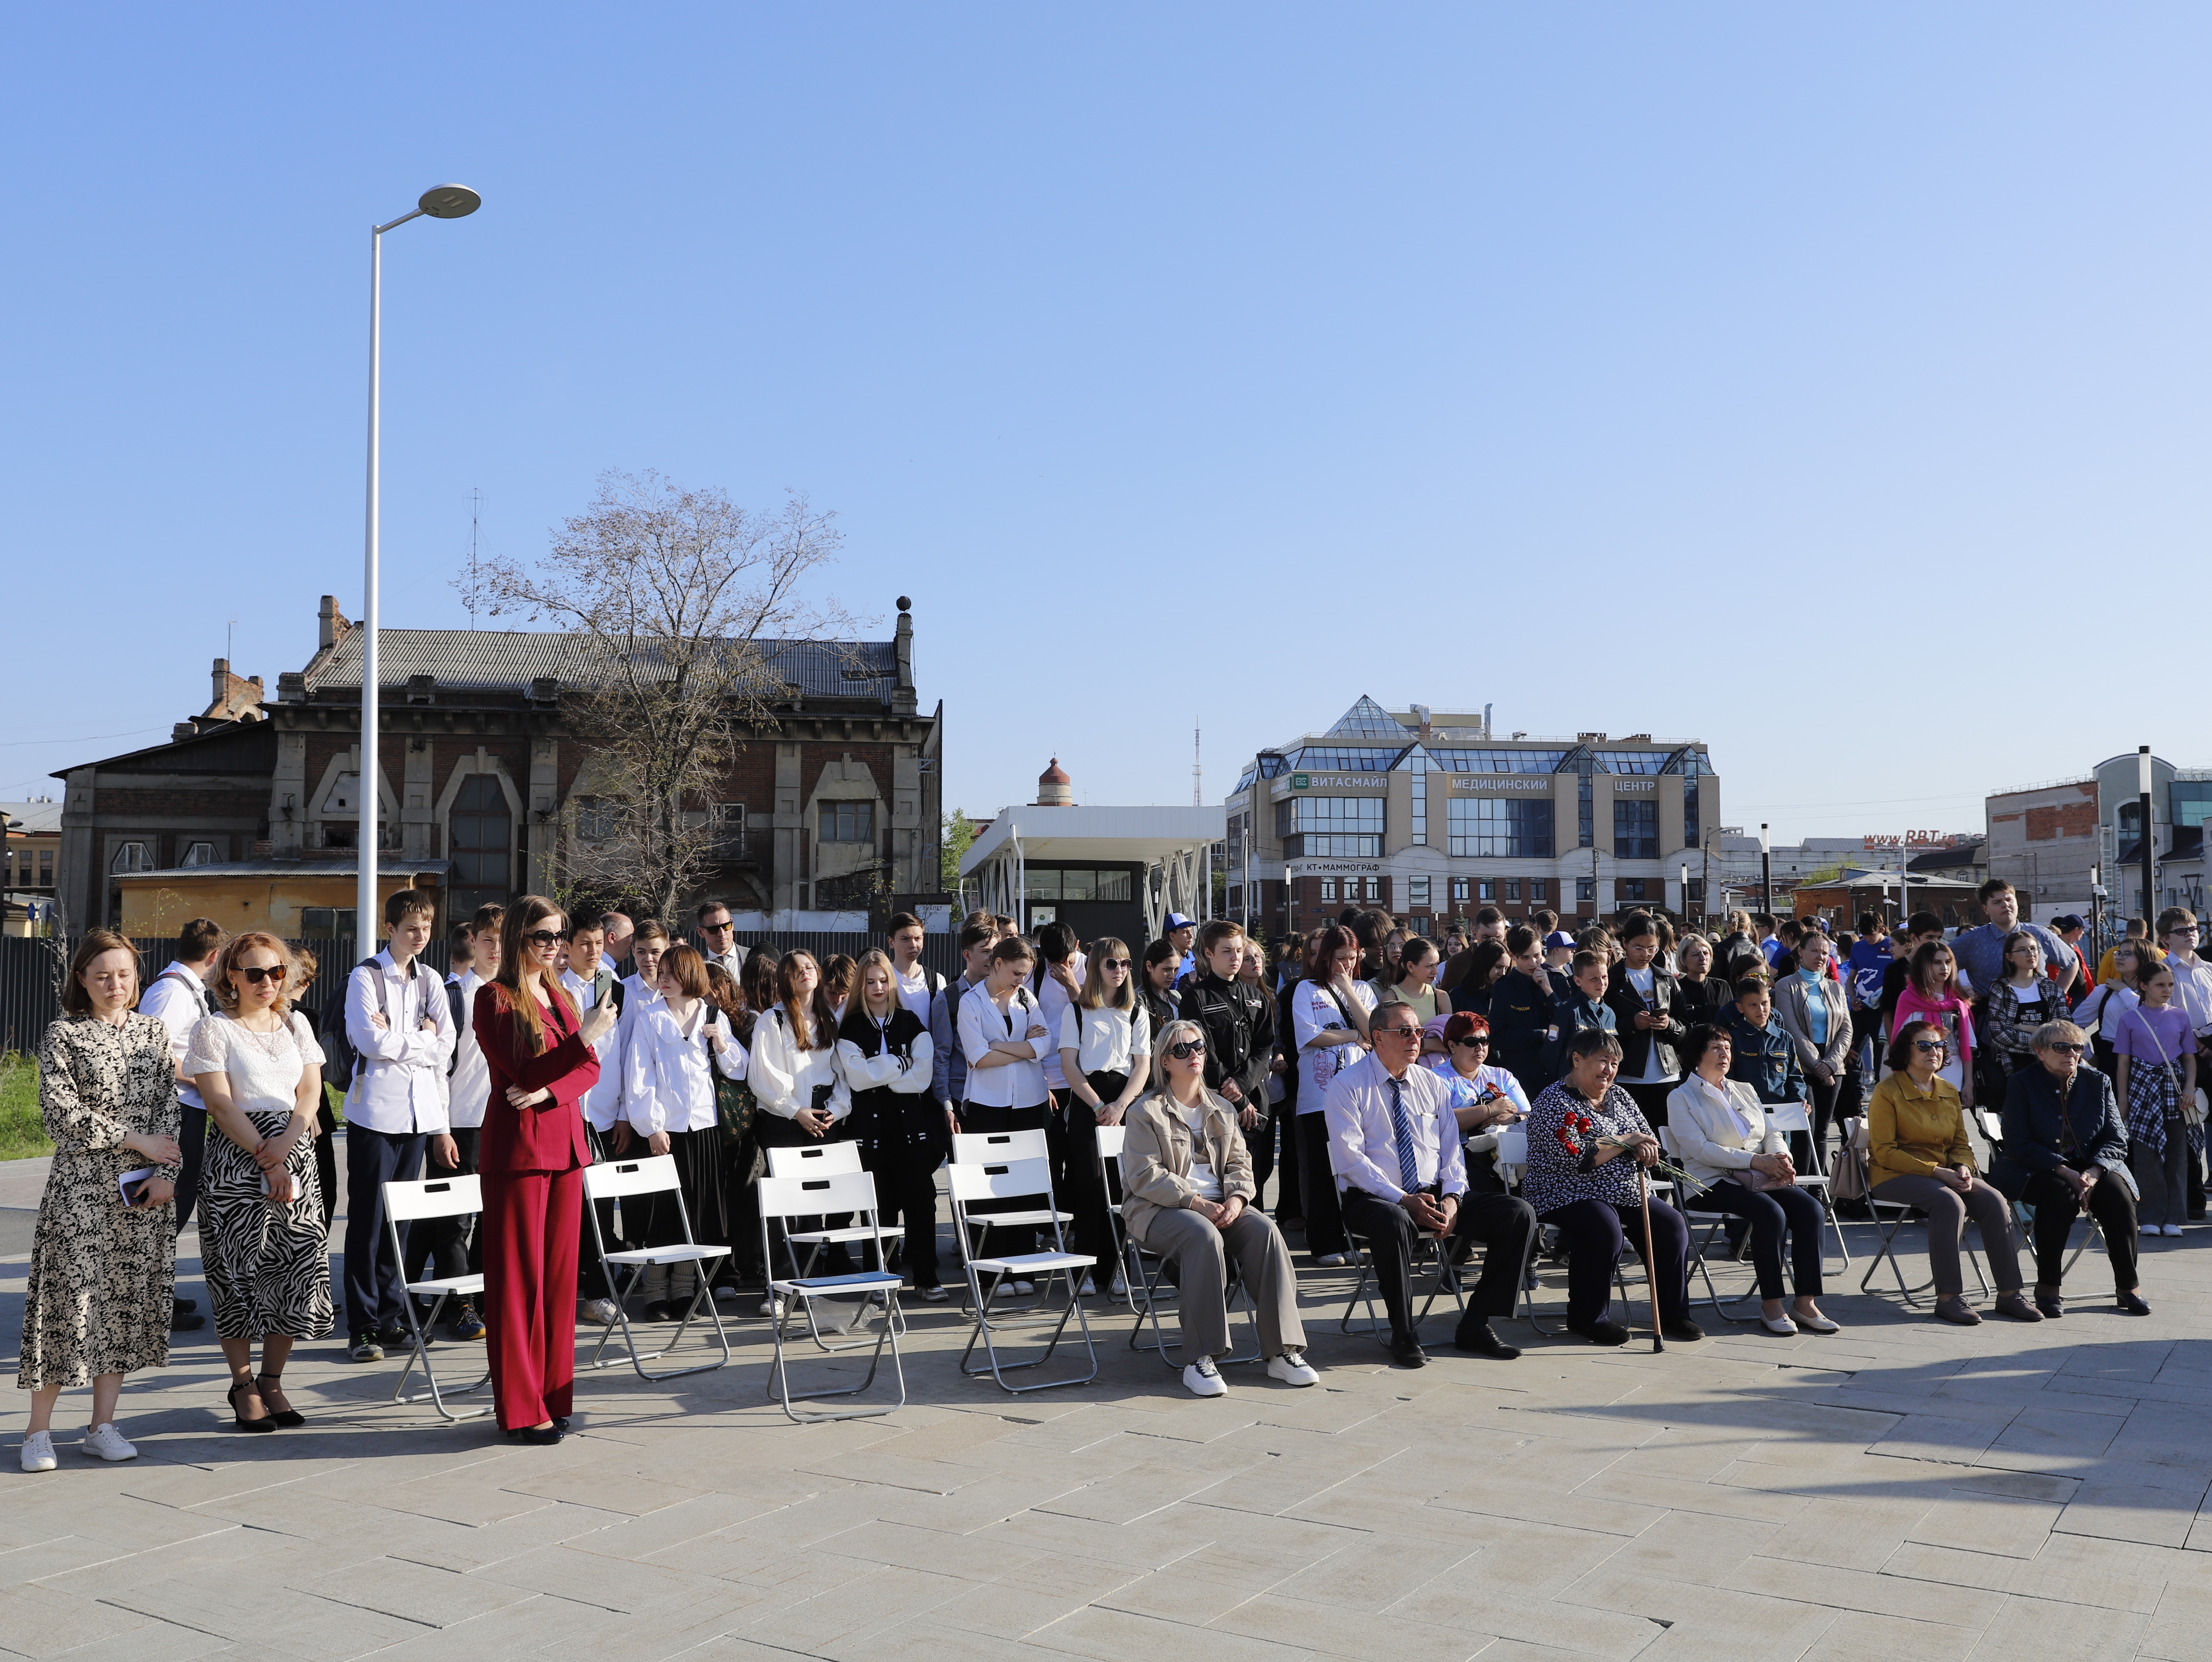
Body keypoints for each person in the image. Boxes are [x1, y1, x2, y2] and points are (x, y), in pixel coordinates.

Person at [16, 932, 183, 1471]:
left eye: (125, 975)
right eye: (103, 975)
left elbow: (169, 1110)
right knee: (69, 1304)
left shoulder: (154, 1032)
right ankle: (38, 1432)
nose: (116, 985)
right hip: (82, 1192)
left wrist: (166, 1171)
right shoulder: (64, 1034)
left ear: (138, 980)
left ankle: (102, 1426)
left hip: (141, 1191)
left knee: (121, 1305)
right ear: (82, 980)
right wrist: (138, 1142)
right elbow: (62, 1115)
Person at [474, 897, 618, 1441]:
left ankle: (554, 1396)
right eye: (543, 937)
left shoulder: (558, 993)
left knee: (560, 1285)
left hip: (564, 1147)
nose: (555, 947)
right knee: (518, 1283)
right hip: (518, 1154)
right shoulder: (494, 998)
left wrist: (546, 1093)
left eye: (559, 937)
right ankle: (520, 1407)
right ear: (517, 938)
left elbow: (588, 1072)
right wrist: (584, 1038)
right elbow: (523, 1067)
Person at [1321, 1003, 1536, 1366]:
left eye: (1419, 1031)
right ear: (1377, 1038)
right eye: (1404, 1031)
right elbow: (1351, 1162)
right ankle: (1403, 1332)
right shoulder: (1347, 1086)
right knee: (1393, 1221)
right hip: (1374, 1198)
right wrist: (1404, 1200)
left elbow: (1452, 1152)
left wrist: (1453, 1197)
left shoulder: (1432, 1085)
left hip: (1433, 1194)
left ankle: (1476, 1323)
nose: (1415, 1039)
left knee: (1518, 1214)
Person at [185, 933, 333, 1431]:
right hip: (238, 1156)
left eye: (276, 972)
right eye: (255, 973)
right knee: (237, 1275)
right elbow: (220, 1103)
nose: (268, 982)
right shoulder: (214, 1028)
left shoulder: (297, 1022)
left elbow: (310, 1089)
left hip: (295, 1152)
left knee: (294, 1271)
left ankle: (273, 1380)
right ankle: (243, 1384)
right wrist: (267, 1159)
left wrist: (289, 1141)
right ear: (231, 975)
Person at [1122, 1019, 1317, 1396]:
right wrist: (1195, 1202)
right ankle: (1201, 1357)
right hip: (1159, 1210)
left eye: (1197, 1046)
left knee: (1266, 1232)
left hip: (1221, 1207)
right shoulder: (1145, 1112)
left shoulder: (1223, 1108)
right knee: (1203, 1236)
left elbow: (1240, 1166)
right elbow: (1144, 1176)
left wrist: (1238, 1199)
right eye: (1181, 1050)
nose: (1193, 1055)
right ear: (1164, 1061)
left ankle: (1282, 1351)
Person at [1520, 1028, 1700, 1346]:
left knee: (1671, 1224)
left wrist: (1642, 1147)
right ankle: (1588, 1317)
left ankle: (1673, 1313)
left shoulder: (1620, 1096)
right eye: (1603, 1061)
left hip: (1623, 1188)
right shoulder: (1554, 1100)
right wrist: (1625, 1141)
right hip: (1565, 1190)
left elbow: (1645, 1135)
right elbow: (1576, 1156)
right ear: (1577, 1060)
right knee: (1604, 1227)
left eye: (1615, 1063)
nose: (1610, 1070)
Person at [340, 889, 457, 1364]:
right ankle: (364, 1325)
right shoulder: (365, 976)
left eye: (426, 927)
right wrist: (420, 1038)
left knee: (402, 1222)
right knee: (367, 1222)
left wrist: (404, 1039)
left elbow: (446, 1045)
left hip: (419, 1115)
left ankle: (392, 1316)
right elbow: (367, 1039)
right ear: (389, 928)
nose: (420, 935)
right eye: (411, 927)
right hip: (376, 1115)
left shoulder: (430, 979)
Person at [1667, 1025, 1836, 1336]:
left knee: (1811, 1209)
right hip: (1709, 1183)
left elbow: (1770, 1133)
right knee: (1770, 1213)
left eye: (1728, 1048)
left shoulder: (1744, 1089)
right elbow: (1700, 1150)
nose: (1724, 1054)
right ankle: (1771, 1305)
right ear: (1697, 1055)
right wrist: (1756, 1161)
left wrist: (1781, 1158)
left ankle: (1805, 1303)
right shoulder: (1681, 1097)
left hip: (1760, 1174)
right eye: (1716, 1047)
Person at [1866, 1020, 2035, 1325]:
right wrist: (1938, 1173)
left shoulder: (1948, 1090)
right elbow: (1884, 1152)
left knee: (1995, 1201)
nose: (1934, 1051)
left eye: (1939, 1045)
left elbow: (1961, 1143)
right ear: (1905, 1052)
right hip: (1894, 1175)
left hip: (1945, 1174)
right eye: (1924, 1045)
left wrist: (1962, 1168)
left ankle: (2010, 1294)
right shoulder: (1887, 1091)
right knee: (1949, 1203)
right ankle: (1949, 1298)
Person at [621, 942, 747, 1317]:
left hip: (705, 1128)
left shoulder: (712, 1013)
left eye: (672, 974)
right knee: (664, 1213)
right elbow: (639, 1078)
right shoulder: (649, 1018)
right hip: (667, 1132)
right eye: (662, 974)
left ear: (692, 974)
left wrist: (721, 1042)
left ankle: (685, 1289)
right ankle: (657, 1292)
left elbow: (738, 1069)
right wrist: (651, 1127)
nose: (664, 980)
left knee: (696, 1210)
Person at [1991, 1020, 2148, 1317]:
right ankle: (2048, 1288)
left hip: (2093, 1165)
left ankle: (2129, 1287)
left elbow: (2116, 1138)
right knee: (2059, 1194)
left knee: (2118, 1195)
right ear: (2040, 1052)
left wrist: (2094, 1172)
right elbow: (2017, 1142)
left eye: (2077, 1047)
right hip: (2033, 1165)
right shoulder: (2022, 1082)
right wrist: (2064, 1170)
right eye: (2061, 1047)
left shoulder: (2098, 1081)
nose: (2071, 1053)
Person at [414, 902, 501, 1344]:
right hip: (462, 1122)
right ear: (474, 943)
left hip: (505, 1124)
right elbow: (435, 1068)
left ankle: (484, 1294)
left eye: (504, 941)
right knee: (455, 1220)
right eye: (488, 940)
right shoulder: (455, 996)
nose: (496, 949)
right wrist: (441, 1128)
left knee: (493, 1217)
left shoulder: (517, 993)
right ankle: (458, 1302)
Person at [837, 949, 944, 1300]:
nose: (878, 987)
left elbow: (922, 1078)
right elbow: (858, 1079)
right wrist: (901, 1063)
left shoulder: (912, 1022)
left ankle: (927, 1279)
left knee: (921, 1203)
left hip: (911, 1130)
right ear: (861, 985)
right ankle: (879, 1280)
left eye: (883, 980)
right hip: (871, 1134)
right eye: (870, 982)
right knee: (878, 1207)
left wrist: (879, 1071)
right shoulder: (850, 1026)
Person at [137, 917, 220, 1334]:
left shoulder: (184, 988)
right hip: (173, 1110)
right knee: (168, 1206)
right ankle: (152, 1304)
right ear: (215, 954)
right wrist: (202, 1078)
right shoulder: (172, 991)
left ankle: (159, 1293)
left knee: (178, 1204)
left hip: (187, 1107)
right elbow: (153, 1051)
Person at [955, 936, 1054, 1281]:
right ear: (998, 964)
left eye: (1026, 974)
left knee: (1024, 1185)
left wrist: (1003, 1045)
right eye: (1016, 972)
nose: (1021, 980)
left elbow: (1045, 1044)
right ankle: (992, 1271)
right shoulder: (971, 1002)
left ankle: (1023, 1267)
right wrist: (1024, 1046)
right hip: (987, 1103)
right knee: (989, 1187)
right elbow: (978, 1058)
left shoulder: (1027, 998)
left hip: (1029, 1100)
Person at [1058, 936, 1151, 1287]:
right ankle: (1084, 1270)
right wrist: (1098, 1105)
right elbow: (1069, 1065)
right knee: (1090, 1187)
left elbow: (1142, 1065)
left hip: (1124, 1102)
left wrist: (1121, 1105)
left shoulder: (1137, 1010)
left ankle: (1115, 1271)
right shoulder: (1076, 1010)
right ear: (1096, 966)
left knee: (1121, 1187)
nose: (1120, 970)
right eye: (1112, 963)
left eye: (1126, 964)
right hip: (1088, 1105)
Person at [1290, 924, 1373, 1267]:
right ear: (1325, 957)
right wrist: (1354, 1035)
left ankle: (1354, 1234)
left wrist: (1348, 991)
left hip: (1358, 1094)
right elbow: (1310, 1037)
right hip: (1318, 1094)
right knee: (1322, 1171)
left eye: (1353, 959)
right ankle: (1324, 1241)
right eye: (1340, 959)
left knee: (1354, 1167)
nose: (1347, 965)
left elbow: (1375, 1032)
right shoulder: (1305, 990)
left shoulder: (1365, 990)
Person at [559, 914, 627, 1326]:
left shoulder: (613, 986)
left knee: (601, 1210)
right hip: (566, 1110)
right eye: (585, 942)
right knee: (569, 1211)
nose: (594, 950)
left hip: (602, 1115)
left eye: (599, 942)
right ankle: (565, 1291)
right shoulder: (556, 988)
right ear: (568, 945)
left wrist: (621, 1112)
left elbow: (619, 1054)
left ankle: (598, 1292)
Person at [1178, 921, 1277, 1197]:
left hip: (1256, 1103)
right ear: (1209, 954)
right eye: (1227, 952)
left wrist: (1244, 1087)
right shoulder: (1195, 998)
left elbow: (1264, 1046)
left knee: (1257, 1176)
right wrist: (1237, 1098)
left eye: (1239, 951)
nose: (1236, 958)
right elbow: (1203, 1053)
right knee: (1222, 1181)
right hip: (1216, 1103)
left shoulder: (1256, 997)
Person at [2113, 960, 2197, 1238]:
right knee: (2146, 1154)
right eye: (2161, 985)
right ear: (2144, 986)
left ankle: (2173, 1216)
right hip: (2142, 1088)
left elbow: (2189, 1058)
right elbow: (2123, 1063)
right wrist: (2122, 1099)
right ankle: (2149, 1214)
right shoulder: (2130, 1019)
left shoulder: (2180, 1016)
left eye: (2171, 985)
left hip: (2174, 1090)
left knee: (2176, 1154)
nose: (2167, 990)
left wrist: (2190, 1088)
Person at [1423, 1013, 1530, 1196]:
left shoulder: (1502, 1076)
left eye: (1485, 1041)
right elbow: (1440, 1122)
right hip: (1460, 1159)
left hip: (1509, 1157)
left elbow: (1531, 1117)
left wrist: (1514, 1118)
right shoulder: (1435, 1079)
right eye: (1472, 1042)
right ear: (1452, 1046)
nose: (1480, 1048)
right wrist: (1490, 1110)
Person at [1773, 929, 1851, 1168]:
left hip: (1833, 1066)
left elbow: (1846, 1029)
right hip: (1801, 1065)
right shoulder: (1786, 986)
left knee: (1824, 1132)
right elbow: (1791, 1028)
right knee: (1806, 1128)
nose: (1820, 956)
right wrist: (1817, 1065)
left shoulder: (1836, 989)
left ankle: (1819, 1190)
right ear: (1801, 952)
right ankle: (1802, 1187)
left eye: (1825, 953)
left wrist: (1830, 1064)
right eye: (1815, 951)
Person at [2153, 908, 2212, 1219]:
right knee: (2189, 1131)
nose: (2190, 932)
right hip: (2183, 1059)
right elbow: (2163, 1015)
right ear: (2165, 938)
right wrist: (2197, 1044)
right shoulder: (2162, 971)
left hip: (2211, 1051)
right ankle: (2192, 1200)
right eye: (2181, 930)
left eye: (2193, 927)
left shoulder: (2208, 969)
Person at [1604, 918, 1689, 1129]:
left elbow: (1685, 1027)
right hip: (1627, 1073)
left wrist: (1668, 1024)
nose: (1646, 955)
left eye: (1652, 948)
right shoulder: (1611, 980)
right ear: (1625, 943)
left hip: (1667, 1073)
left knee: (1667, 1138)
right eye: (1639, 948)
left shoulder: (1667, 979)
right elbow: (1603, 1028)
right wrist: (1632, 1024)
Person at [1953, 879, 2077, 1002]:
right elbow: (1940, 965)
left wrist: (2055, 997)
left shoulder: (2040, 934)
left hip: (2038, 1012)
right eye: (1997, 902)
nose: (2005, 905)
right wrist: (1962, 995)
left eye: (2009, 900)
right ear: (1986, 909)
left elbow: (2071, 962)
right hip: (1992, 1014)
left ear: (2017, 903)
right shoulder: (1972, 940)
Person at [1895, 937, 1978, 1110]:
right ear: (1924, 965)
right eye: (1937, 963)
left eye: (1948, 962)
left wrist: (1968, 1083)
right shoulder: (1909, 999)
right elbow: (1902, 1046)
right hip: (1918, 1080)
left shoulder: (1959, 1002)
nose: (1945, 968)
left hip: (1954, 1078)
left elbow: (1968, 1047)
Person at [931, 920, 997, 1126]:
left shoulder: (1007, 995)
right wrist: (946, 1103)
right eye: (986, 952)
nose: (993, 958)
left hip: (1001, 1095)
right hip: (963, 1097)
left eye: (995, 951)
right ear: (967, 955)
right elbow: (941, 1055)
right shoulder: (947, 999)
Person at [1983, 929, 2065, 1089]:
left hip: (2051, 1067)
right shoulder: (2000, 988)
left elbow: (2064, 1028)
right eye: (2023, 950)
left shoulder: (2051, 988)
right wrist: (2044, 1041)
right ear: (2010, 957)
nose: (2031, 954)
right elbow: (1998, 1034)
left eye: (2034, 948)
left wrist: (2021, 1027)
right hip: (2013, 1067)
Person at [1490, 926, 1564, 1095]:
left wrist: (1548, 991)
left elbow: (1568, 1023)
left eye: (1537, 956)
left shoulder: (1557, 980)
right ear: (1513, 956)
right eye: (1525, 958)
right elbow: (1497, 1037)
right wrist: (1536, 1035)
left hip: (1556, 1073)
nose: (1533, 963)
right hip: (1522, 1075)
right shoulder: (1503, 988)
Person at [887, 911, 946, 1027]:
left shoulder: (936, 981)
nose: (913, 945)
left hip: (927, 1045)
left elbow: (942, 1027)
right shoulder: (882, 979)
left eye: (918, 938)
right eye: (905, 939)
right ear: (891, 942)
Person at [1379, 936, 1445, 1030]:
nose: (1436, 971)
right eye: (1429, 966)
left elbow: (1449, 1039)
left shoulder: (1441, 996)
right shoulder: (1391, 998)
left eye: (1437, 965)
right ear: (1411, 966)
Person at [1674, 934, 1732, 1028]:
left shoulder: (1722, 987)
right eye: (1696, 955)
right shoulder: (1677, 990)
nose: (1703, 958)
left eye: (1706, 953)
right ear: (1684, 959)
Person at [1448, 940, 1509, 1020]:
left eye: (1506, 968)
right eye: (1498, 967)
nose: (1503, 973)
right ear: (1483, 963)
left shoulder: (1506, 995)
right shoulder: (1458, 996)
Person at [2099, 916, 2163, 985]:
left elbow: (2102, 979)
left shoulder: (2112, 952)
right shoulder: (2159, 953)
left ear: (2127, 932)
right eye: (2120, 953)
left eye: (2127, 954)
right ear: (2146, 933)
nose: (2119, 957)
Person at [694, 899, 748, 978]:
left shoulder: (752, 958)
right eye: (714, 929)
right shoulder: (695, 966)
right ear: (701, 932)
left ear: (732, 925)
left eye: (726, 926)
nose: (722, 933)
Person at [1164, 913, 1199, 983]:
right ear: (1172, 936)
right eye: (1185, 932)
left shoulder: (1195, 957)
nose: (1191, 936)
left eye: (1191, 931)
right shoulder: (1166, 961)